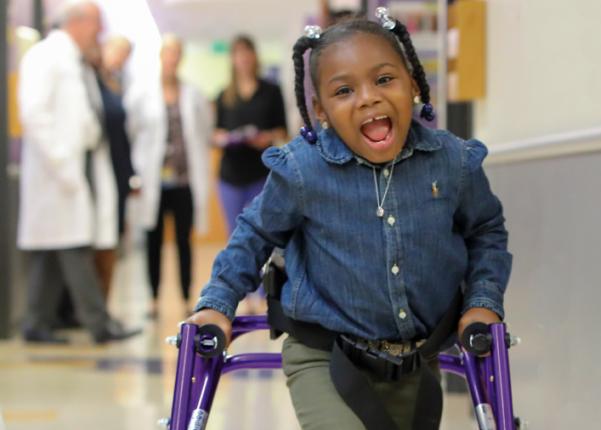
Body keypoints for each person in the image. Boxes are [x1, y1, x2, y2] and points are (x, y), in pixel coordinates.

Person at [188, 12, 512, 430]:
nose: (367, 98)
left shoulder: (452, 163)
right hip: (325, 356)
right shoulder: (304, 170)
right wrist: (217, 304)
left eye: (383, 80)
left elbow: (486, 231)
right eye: (344, 90)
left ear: (413, 84)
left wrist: (483, 301)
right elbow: (253, 233)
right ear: (320, 111)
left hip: (418, 357)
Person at [17, 0, 140, 344]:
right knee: (72, 249)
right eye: (95, 24)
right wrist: (62, 164)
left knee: (54, 250)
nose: (99, 32)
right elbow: (34, 115)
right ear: (77, 22)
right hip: (57, 172)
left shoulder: (76, 62)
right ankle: (99, 323)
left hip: (75, 169)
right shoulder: (45, 56)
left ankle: (36, 321)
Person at [128, 34, 212, 318]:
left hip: (184, 181)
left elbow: (204, 131)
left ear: (181, 58)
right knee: (152, 241)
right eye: (168, 53)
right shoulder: (142, 94)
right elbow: (133, 131)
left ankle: (187, 296)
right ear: (161, 56)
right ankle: (153, 298)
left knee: (183, 242)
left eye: (177, 53)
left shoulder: (193, 94)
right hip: (154, 182)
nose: (172, 59)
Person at [212, 35, 287, 235]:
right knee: (235, 234)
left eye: (247, 52)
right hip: (230, 176)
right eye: (238, 53)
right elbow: (216, 132)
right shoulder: (223, 95)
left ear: (254, 56)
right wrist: (223, 138)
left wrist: (266, 137)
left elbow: (282, 130)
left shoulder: (271, 91)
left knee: (262, 232)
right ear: (232, 59)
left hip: (261, 174)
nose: (243, 58)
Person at [90, 36, 139, 299]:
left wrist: (131, 175)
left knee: (113, 237)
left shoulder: (115, 84)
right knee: (100, 240)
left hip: (118, 173)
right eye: (117, 51)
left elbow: (124, 137)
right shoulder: (92, 82)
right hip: (100, 172)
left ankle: (103, 305)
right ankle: (95, 306)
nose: (120, 58)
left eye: (126, 54)